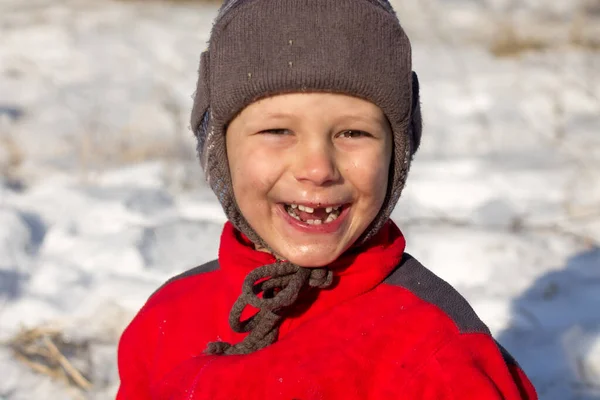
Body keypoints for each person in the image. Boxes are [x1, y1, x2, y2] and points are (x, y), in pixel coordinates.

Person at [116, 0, 538, 398]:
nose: (317, 169)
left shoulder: (439, 352)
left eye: (353, 133)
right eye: (277, 131)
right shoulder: (167, 319)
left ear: (397, 153)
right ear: (220, 150)